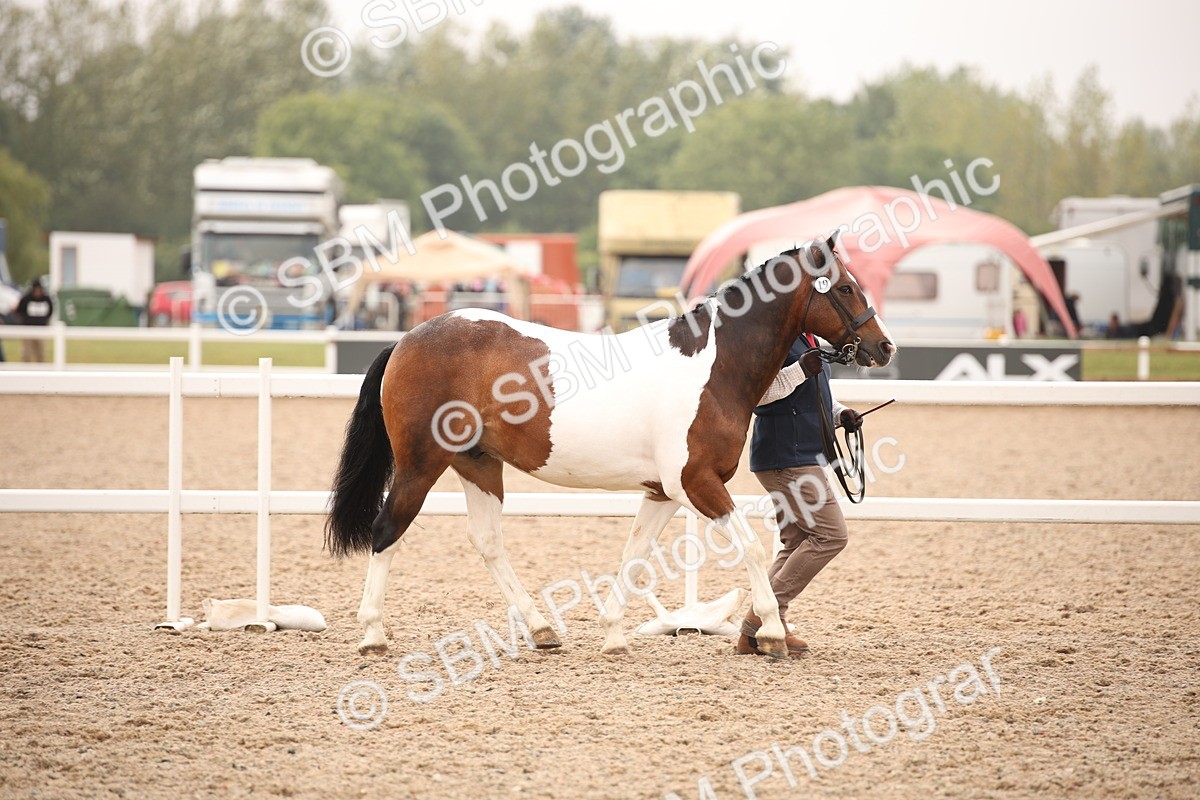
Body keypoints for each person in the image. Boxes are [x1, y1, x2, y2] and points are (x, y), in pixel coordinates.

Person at [736, 334, 862, 657]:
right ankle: (761, 619)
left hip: (796, 455)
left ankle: (757, 633)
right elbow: (757, 395)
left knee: (793, 543)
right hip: (788, 457)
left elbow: (813, 398)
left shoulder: (810, 340)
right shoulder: (774, 341)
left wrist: (840, 414)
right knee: (831, 534)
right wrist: (799, 371)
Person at [16, 278, 53, 362]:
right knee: (26, 353)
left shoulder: (46, 299)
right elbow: (20, 311)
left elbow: (50, 311)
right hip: (28, 329)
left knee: (41, 353)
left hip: (41, 329)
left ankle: (41, 372)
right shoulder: (26, 299)